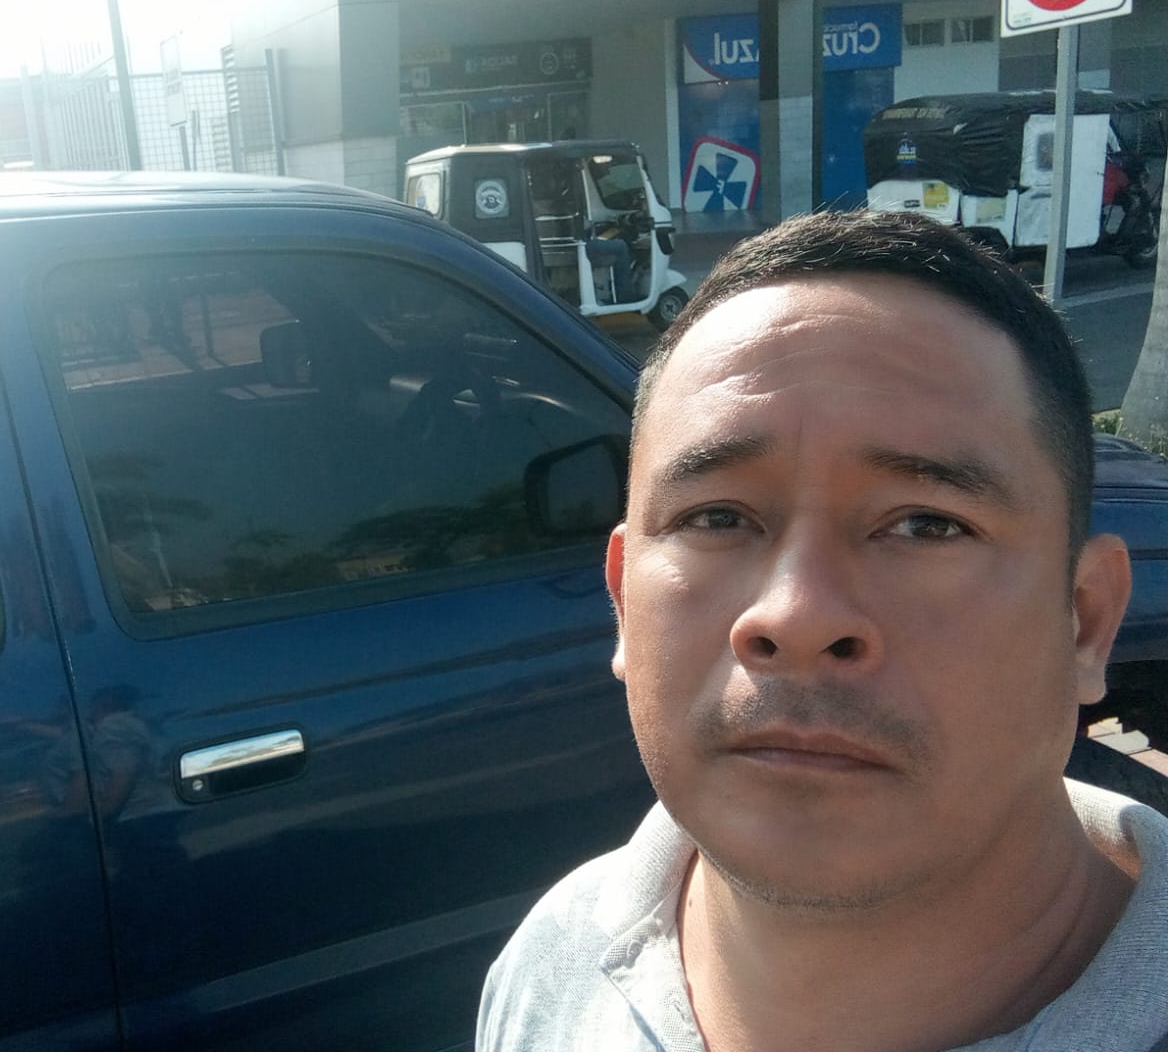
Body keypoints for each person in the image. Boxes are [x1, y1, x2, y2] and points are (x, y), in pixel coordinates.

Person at [477, 209, 1168, 1052]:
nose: (795, 616)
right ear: (622, 599)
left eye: (925, 524)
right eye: (717, 517)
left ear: (1086, 620)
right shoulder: (554, 963)